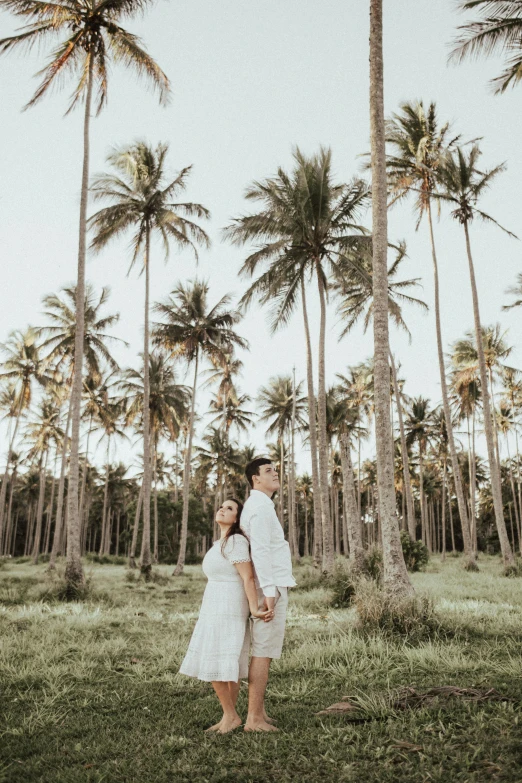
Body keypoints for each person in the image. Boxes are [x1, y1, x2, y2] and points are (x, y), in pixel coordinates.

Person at [179, 497, 273, 734]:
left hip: (228, 605)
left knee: (215, 656)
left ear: (237, 518)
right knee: (226, 660)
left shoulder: (236, 541)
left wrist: (253, 607)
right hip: (215, 602)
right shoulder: (220, 542)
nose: (222, 508)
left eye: (229, 508)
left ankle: (231, 716)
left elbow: (248, 577)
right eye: (221, 505)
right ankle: (227, 716)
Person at [240, 457, 297, 732]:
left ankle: (259, 711)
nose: (275, 473)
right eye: (268, 471)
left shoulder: (261, 505)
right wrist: (271, 592)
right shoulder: (260, 507)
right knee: (263, 651)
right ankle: (254, 719)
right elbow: (261, 550)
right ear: (255, 479)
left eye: (275, 469)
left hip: (270, 584)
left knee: (266, 650)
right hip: (269, 587)